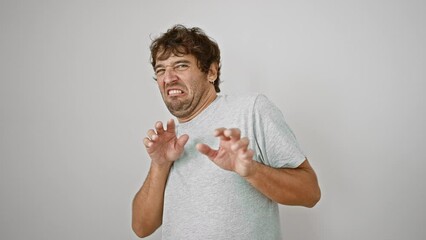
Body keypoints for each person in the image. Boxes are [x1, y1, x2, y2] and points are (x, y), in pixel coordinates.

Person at [132, 24, 321, 239]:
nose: (168, 77)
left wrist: (251, 171)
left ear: (211, 71)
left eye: (181, 65)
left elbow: (310, 192)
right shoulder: (169, 141)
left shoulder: (251, 110)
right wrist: (159, 164)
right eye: (160, 70)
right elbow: (141, 227)